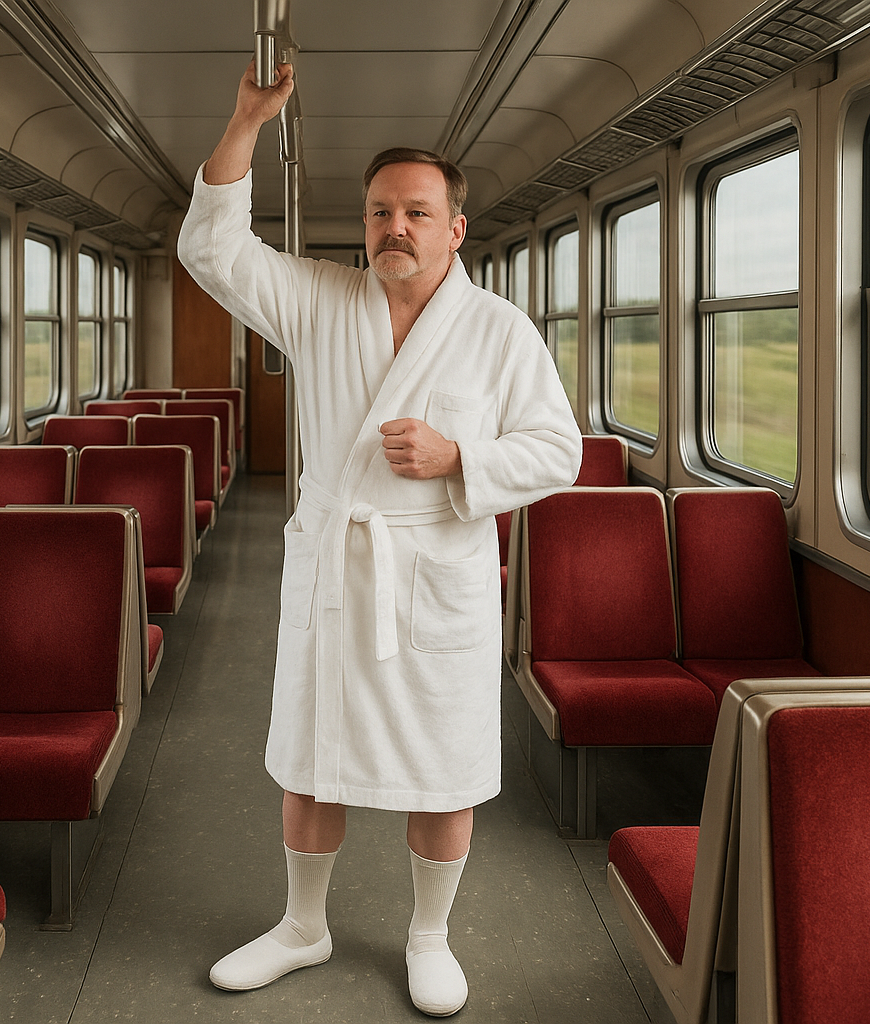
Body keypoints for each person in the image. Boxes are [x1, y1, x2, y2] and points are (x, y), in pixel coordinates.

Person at [177, 59, 582, 1017]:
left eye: (413, 212)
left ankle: (430, 937)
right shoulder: (318, 300)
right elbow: (213, 253)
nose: (393, 228)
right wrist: (243, 122)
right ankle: (303, 926)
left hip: (435, 570)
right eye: (377, 213)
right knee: (312, 755)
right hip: (337, 565)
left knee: (443, 765)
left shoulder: (498, 330)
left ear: (454, 228)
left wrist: (459, 457)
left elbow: (557, 449)